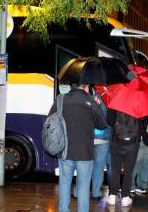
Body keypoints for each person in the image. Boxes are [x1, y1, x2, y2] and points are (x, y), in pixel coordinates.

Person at [48, 83, 106, 212]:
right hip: (85, 153)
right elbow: (102, 124)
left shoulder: (60, 99)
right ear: (86, 87)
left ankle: (63, 210)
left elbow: (50, 120)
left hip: (65, 151)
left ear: (72, 86)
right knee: (83, 187)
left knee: (64, 183)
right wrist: (98, 105)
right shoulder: (90, 101)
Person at [106, 109, 141, 207]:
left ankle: (113, 195)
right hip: (133, 143)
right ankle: (125, 196)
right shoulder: (138, 104)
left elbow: (108, 121)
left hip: (116, 142)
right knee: (128, 171)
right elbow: (142, 124)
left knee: (115, 169)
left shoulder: (114, 104)